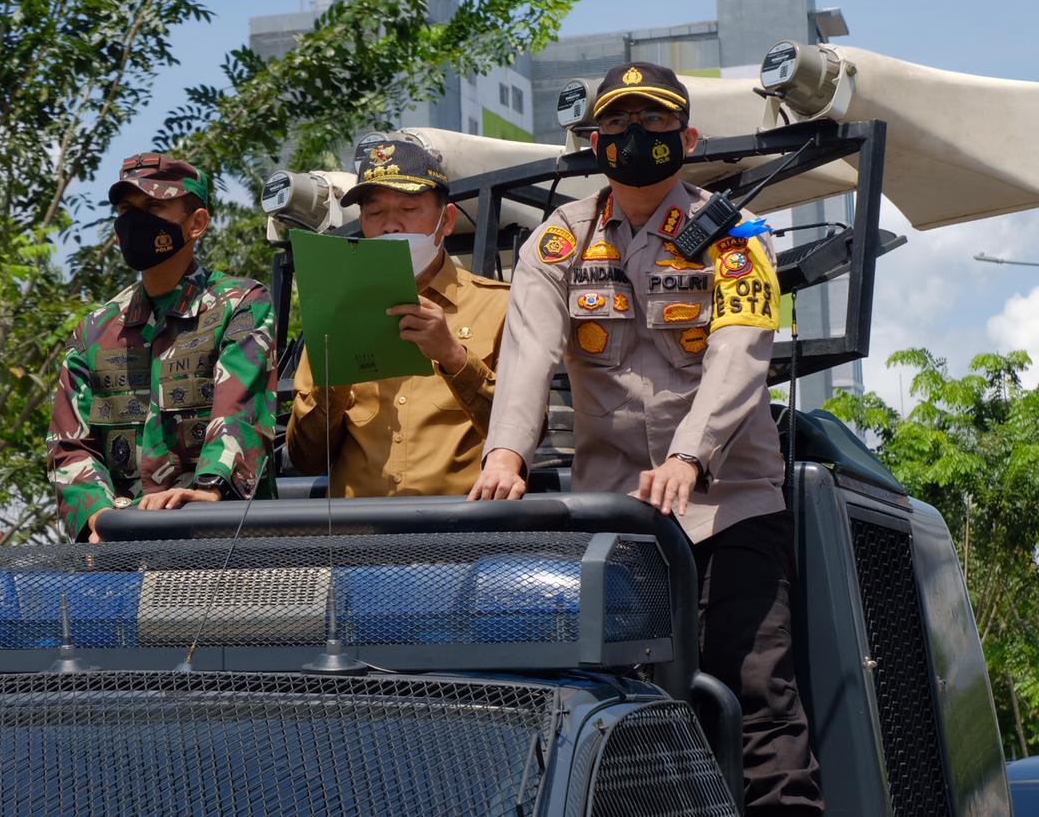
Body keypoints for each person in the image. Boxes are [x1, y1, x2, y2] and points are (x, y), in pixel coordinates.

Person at [469, 63, 824, 814]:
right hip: (618, 518)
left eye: (655, 122)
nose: (635, 137)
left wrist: (691, 454)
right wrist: (506, 453)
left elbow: (740, 351)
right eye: (618, 123)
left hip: (729, 506)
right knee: (622, 708)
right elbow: (528, 354)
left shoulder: (734, 237)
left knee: (756, 697)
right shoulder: (556, 244)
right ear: (595, 141)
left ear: (688, 139)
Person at [47, 153, 277, 542]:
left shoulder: (240, 305)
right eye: (126, 210)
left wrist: (210, 490)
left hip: (224, 543)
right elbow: (69, 445)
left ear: (197, 223)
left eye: (153, 207)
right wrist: (97, 516)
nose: (136, 220)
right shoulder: (94, 332)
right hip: (124, 553)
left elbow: (239, 411)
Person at [284, 140, 510, 497]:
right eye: (375, 213)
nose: (390, 225)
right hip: (358, 529)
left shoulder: (498, 306)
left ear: (446, 220)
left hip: (463, 525)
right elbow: (305, 458)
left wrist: (454, 357)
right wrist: (336, 376)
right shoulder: (333, 311)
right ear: (363, 223)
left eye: (409, 208)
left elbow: (524, 435)